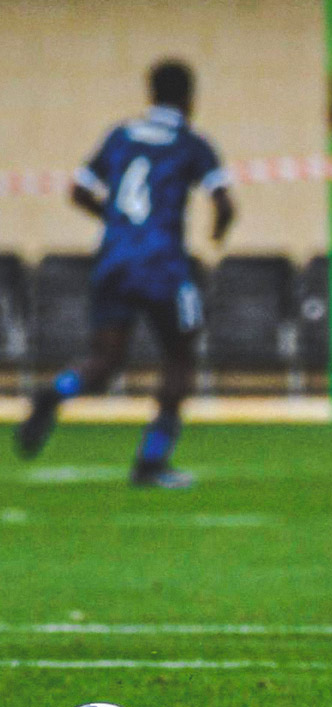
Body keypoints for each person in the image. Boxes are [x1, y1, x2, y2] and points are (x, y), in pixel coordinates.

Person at [15, 59, 234, 488]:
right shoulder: (191, 143)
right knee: (181, 357)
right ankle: (151, 461)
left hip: (114, 260)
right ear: (190, 99)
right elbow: (224, 204)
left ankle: (56, 391)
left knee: (104, 361)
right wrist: (216, 233)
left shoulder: (121, 135)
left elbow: (78, 189)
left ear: (151, 95)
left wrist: (116, 222)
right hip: (162, 265)